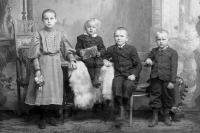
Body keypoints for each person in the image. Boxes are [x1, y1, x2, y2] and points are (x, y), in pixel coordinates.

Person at [25, 9, 77, 129]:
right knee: (43, 91)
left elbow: (67, 50)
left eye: (51, 18)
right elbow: (34, 54)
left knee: (55, 90)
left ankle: (52, 116)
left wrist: (72, 59)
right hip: (43, 64)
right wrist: (37, 70)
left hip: (56, 65)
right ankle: (42, 118)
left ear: (55, 19)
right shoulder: (38, 34)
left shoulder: (61, 33)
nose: (49, 21)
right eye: (46, 19)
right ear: (43, 20)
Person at [103, 27, 142, 120]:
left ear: (127, 38)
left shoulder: (131, 49)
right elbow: (104, 56)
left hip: (130, 75)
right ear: (114, 37)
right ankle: (121, 109)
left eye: (121, 36)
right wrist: (105, 60)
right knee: (116, 86)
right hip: (118, 74)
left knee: (128, 86)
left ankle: (124, 108)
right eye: (117, 36)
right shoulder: (111, 49)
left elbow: (138, 65)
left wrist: (134, 75)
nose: (119, 38)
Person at [145, 30, 178, 127]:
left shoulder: (172, 52)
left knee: (166, 97)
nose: (161, 41)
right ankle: (155, 116)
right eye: (158, 39)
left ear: (168, 40)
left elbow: (174, 68)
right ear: (156, 40)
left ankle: (166, 115)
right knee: (155, 95)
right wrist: (148, 59)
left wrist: (172, 81)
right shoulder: (154, 51)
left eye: (163, 39)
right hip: (155, 78)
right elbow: (149, 58)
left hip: (167, 79)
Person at [75, 18, 106, 87]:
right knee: (91, 62)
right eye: (89, 27)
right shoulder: (81, 38)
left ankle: (96, 78)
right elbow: (77, 48)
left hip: (96, 56)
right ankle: (93, 79)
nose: (91, 29)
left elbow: (103, 49)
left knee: (99, 62)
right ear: (85, 28)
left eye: (93, 27)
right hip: (87, 56)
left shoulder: (99, 39)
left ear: (97, 29)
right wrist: (80, 52)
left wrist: (100, 53)